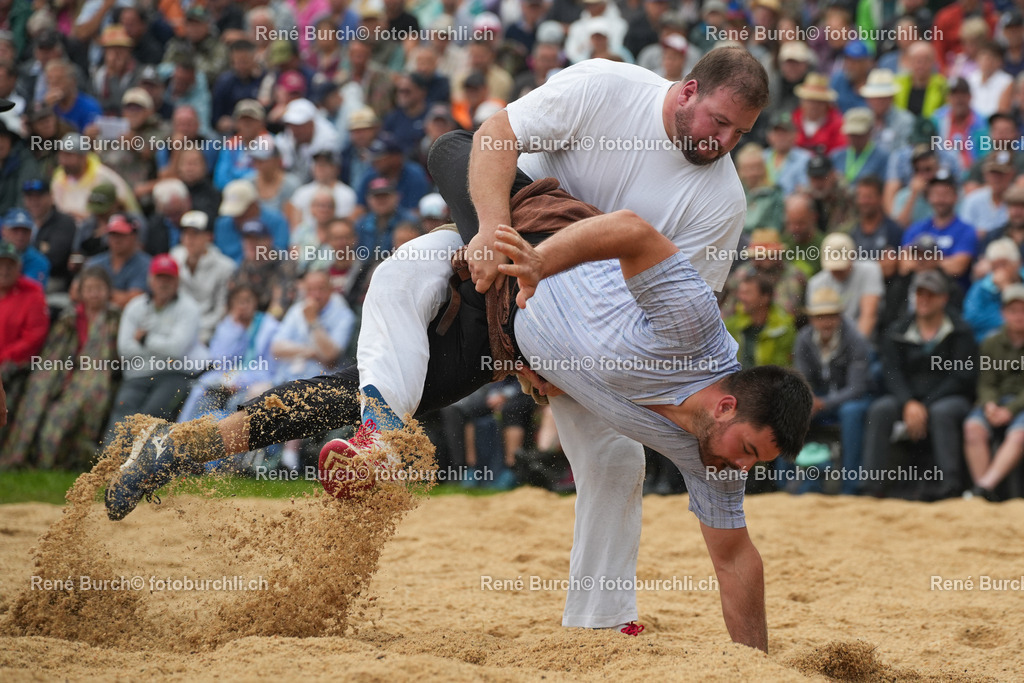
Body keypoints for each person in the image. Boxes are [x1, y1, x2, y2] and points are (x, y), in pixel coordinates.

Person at [105, 193, 813, 656]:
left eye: (754, 464)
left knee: (340, 395)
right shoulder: (673, 313)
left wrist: (757, 666)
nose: (739, 467)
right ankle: (377, 447)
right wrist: (514, 246)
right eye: (747, 451)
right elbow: (487, 156)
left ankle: (180, 443)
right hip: (441, 271)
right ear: (726, 406)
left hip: (488, 345)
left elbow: (735, 558)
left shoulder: (706, 448)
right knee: (389, 389)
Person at [863, 269, 978, 500]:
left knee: (941, 412)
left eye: (931, 295)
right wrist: (908, 403)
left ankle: (950, 486)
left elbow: (961, 377)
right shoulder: (897, 330)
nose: (924, 300)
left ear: (944, 298)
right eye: (920, 294)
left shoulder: (961, 331)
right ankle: (871, 486)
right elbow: (891, 372)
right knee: (880, 409)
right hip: (908, 398)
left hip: (948, 398)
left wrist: (924, 405)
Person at [0, 266, 120, 469]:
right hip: (62, 374)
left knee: (64, 414)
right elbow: (53, 355)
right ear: (80, 292)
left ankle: (56, 461)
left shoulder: (115, 319)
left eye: (99, 288)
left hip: (93, 379)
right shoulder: (68, 319)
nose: (94, 294)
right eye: (89, 288)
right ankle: (19, 457)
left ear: (108, 291)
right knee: (35, 399)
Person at [103, 254, 201, 438]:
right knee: (122, 415)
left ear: (177, 281)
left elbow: (176, 349)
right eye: (159, 277)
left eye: (169, 278)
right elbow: (125, 350)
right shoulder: (135, 306)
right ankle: (110, 464)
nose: (163, 283)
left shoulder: (189, 308)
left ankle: (141, 465)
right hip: (137, 374)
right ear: (150, 279)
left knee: (153, 413)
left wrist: (145, 339)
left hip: (174, 374)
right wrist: (163, 345)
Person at [792, 287, 872, 495]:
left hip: (850, 400)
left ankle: (850, 487)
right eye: (820, 317)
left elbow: (857, 388)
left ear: (839, 317)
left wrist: (823, 403)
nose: (825, 322)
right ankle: (790, 484)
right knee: (791, 411)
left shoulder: (855, 340)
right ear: (811, 319)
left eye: (830, 316)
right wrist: (809, 401)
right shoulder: (804, 339)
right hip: (820, 400)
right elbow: (802, 379)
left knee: (851, 412)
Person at [963, 283, 1024, 500]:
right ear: (1003, 313)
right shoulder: (991, 342)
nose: (1019, 316)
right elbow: (986, 382)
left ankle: (983, 488)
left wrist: (1010, 409)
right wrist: (989, 405)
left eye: (1023, 310)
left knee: (1019, 434)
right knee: (973, 428)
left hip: (1020, 404)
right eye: (1013, 310)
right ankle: (985, 495)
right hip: (997, 402)